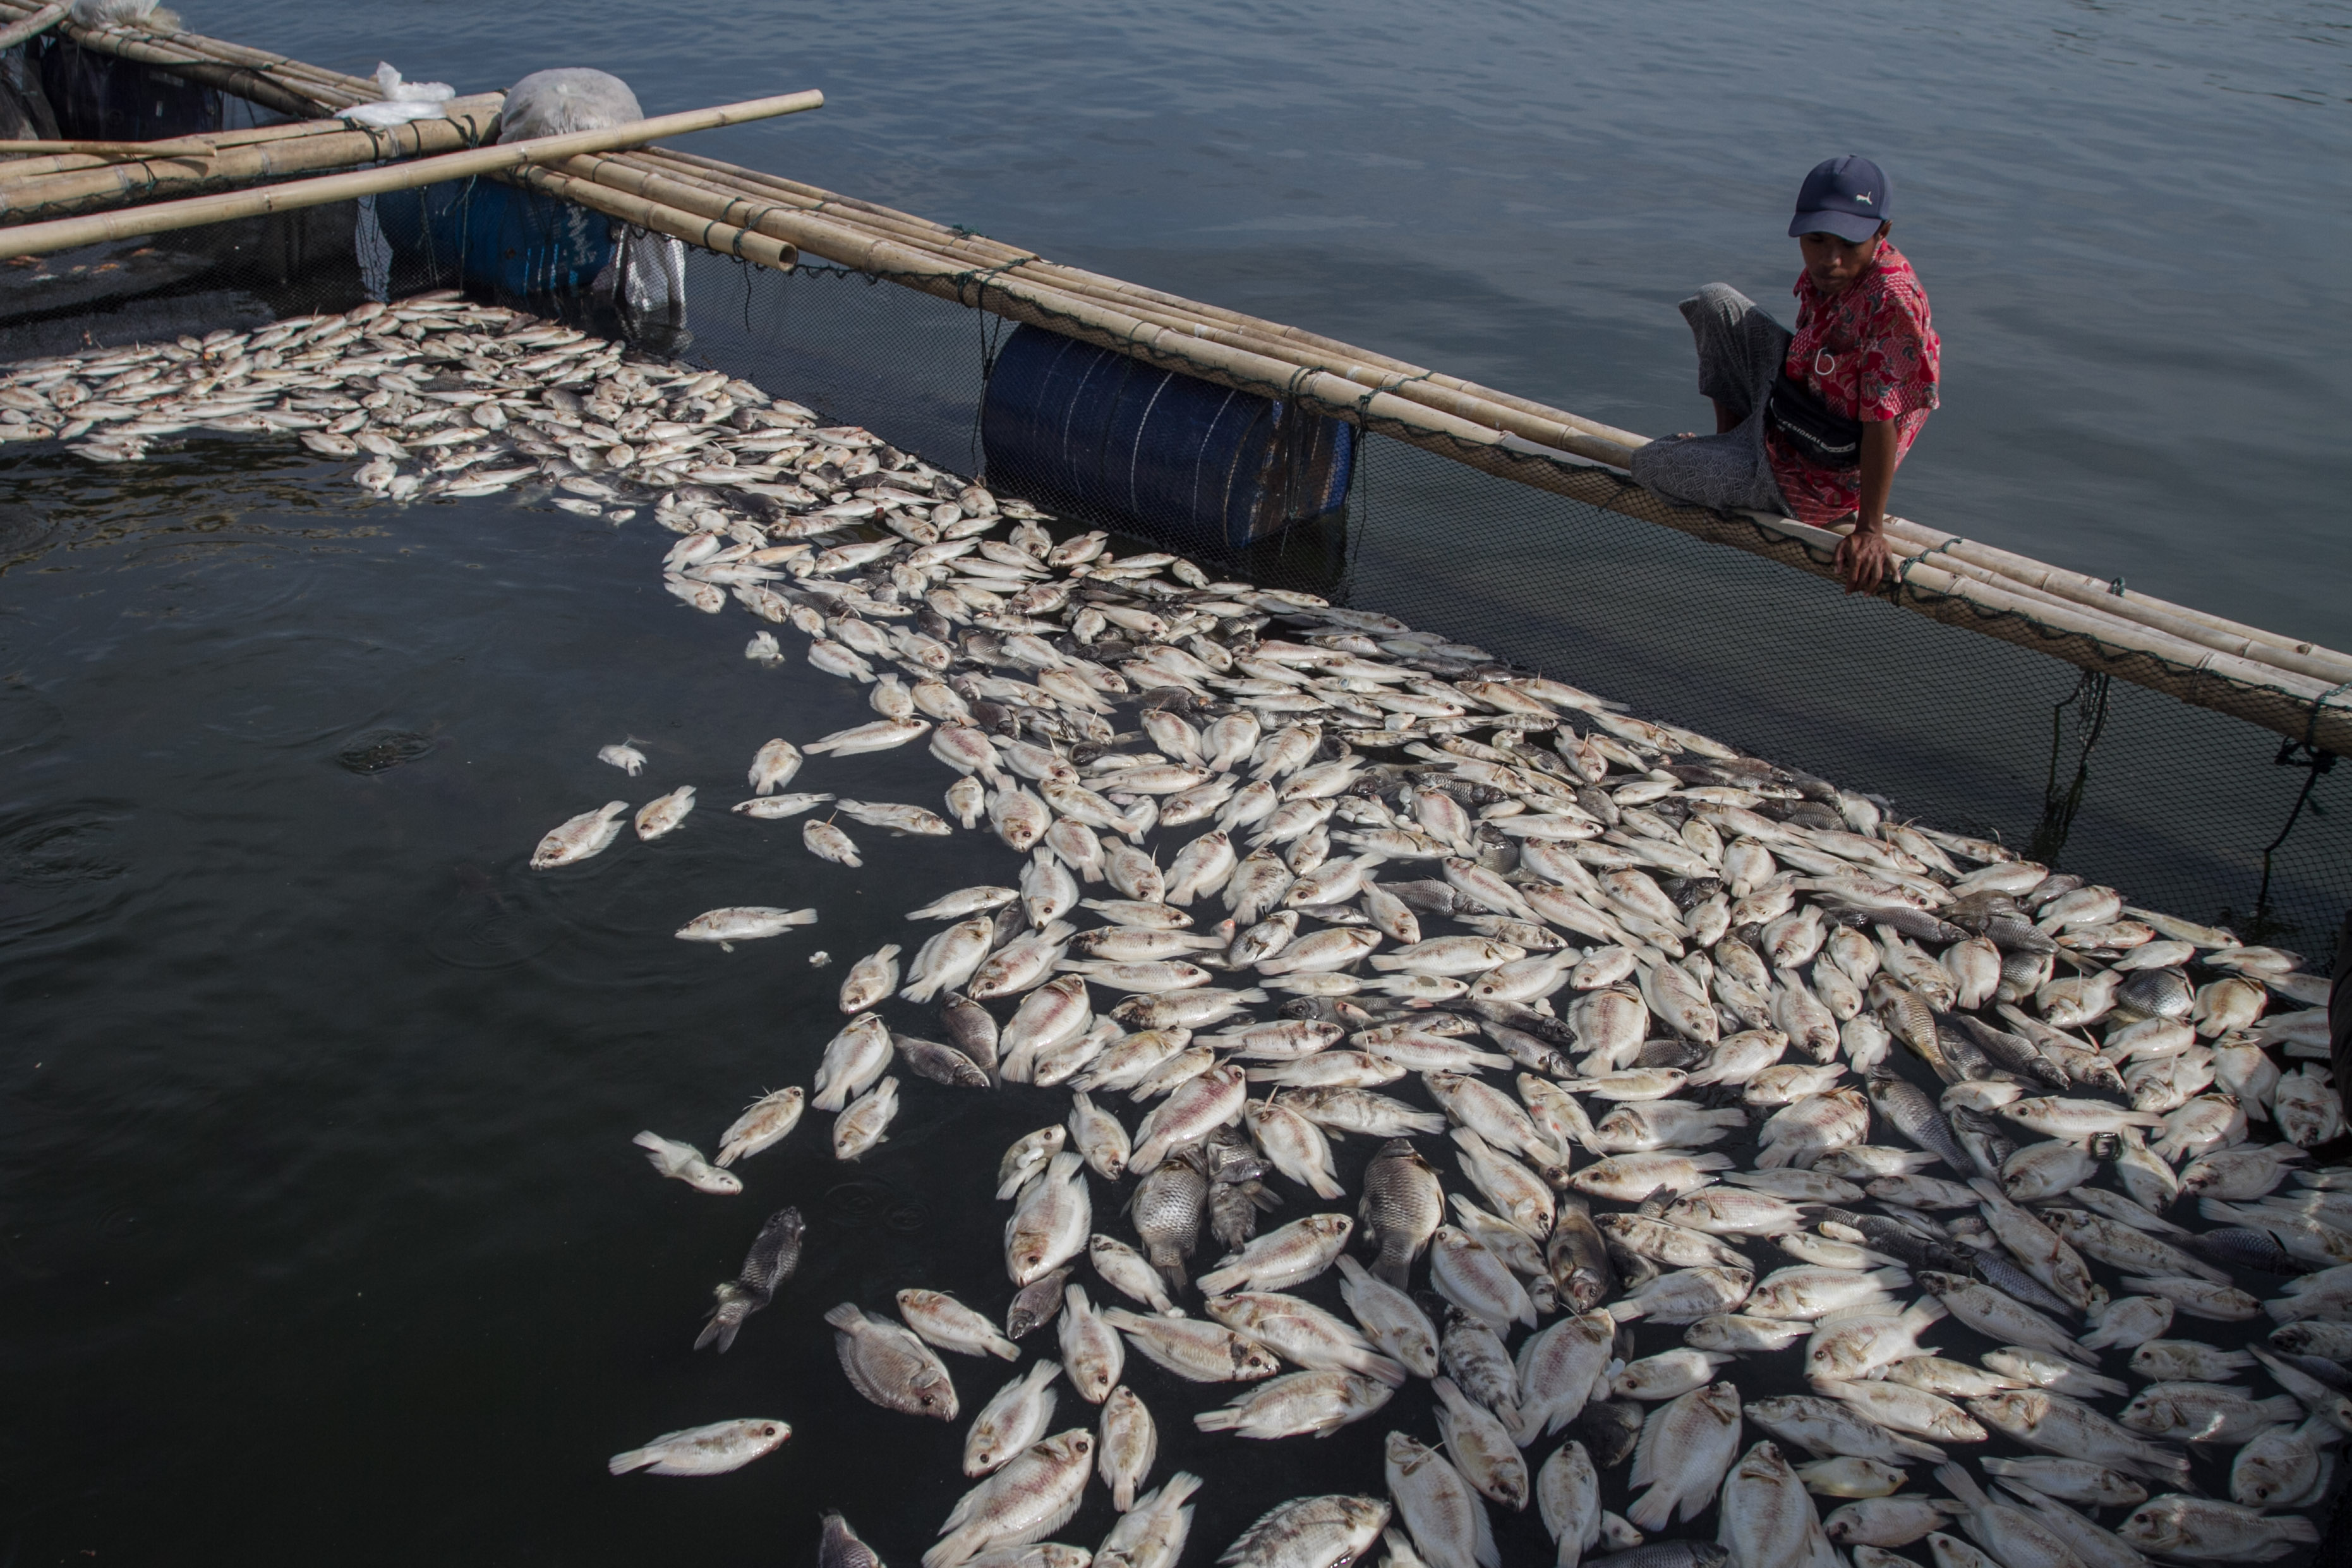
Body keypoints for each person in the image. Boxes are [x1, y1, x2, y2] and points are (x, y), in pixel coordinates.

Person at [1630, 155, 1940, 593]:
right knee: (1715, 301)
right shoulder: (1832, 271)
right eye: (1816, 240)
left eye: (1849, 245)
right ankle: (1733, 443)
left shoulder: (1891, 302)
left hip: (1817, 475)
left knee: (1650, 463)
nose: (1830, 260)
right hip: (1795, 405)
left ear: (1881, 234)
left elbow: (1881, 419)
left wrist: (1869, 529)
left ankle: (1746, 471)